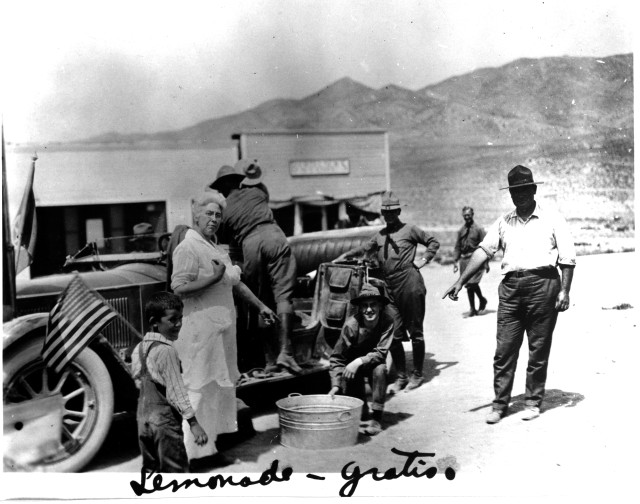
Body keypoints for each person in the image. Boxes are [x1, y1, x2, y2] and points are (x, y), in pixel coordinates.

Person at [443, 165, 576, 424]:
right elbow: (483, 251)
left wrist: (565, 291)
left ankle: (532, 401)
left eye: (524, 189)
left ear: (534, 190)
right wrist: (461, 281)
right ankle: (500, 404)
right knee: (504, 350)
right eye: (515, 191)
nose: (520, 195)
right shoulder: (503, 222)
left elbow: (568, 258)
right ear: (511, 194)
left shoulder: (553, 218)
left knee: (538, 349)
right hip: (511, 290)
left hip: (543, 286)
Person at [171, 191, 277, 468]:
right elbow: (179, 288)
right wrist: (213, 277)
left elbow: (235, 283)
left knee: (217, 389)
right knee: (199, 389)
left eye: (218, 215)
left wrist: (260, 306)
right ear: (196, 214)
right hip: (200, 331)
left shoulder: (214, 246)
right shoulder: (188, 247)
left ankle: (207, 449)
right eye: (209, 213)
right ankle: (191, 456)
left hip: (221, 332)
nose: (214, 219)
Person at [334, 191, 440, 393]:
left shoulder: (410, 230)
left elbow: (433, 242)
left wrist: (422, 261)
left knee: (415, 332)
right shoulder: (380, 235)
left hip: (409, 282)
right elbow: (364, 248)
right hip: (388, 287)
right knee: (394, 333)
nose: (388, 215)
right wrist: (344, 256)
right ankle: (401, 376)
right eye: (385, 212)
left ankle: (417, 374)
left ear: (399, 211)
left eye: (392, 212)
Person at [208, 160, 302, 374]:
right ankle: (286, 353)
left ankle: (269, 361)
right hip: (273, 235)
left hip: (250, 245)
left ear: (221, 188)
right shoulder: (258, 192)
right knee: (283, 297)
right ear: (238, 181)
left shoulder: (225, 210)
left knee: (260, 302)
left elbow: (224, 241)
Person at [131, 291, 207, 473]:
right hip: (164, 422)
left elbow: (137, 382)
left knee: (152, 472)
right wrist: (194, 424)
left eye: (181, 318)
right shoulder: (166, 351)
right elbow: (176, 392)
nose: (179, 324)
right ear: (154, 322)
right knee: (175, 473)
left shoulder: (138, 348)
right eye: (173, 320)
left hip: (143, 420)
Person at [328, 283, 394, 436]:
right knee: (359, 414)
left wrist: (358, 361)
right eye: (364, 306)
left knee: (381, 369)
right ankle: (361, 405)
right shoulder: (351, 325)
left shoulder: (387, 321)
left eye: (373, 305)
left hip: (370, 363)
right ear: (359, 308)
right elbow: (337, 357)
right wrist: (336, 384)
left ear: (380, 306)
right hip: (352, 370)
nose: (369, 310)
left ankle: (377, 417)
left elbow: (381, 352)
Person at [452, 206, 489, 317]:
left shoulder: (479, 229)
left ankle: (481, 300)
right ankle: (473, 308)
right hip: (464, 260)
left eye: (468, 215)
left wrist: (486, 263)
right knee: (468, 284)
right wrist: (455, 261)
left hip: (476, 259)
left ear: (472, 215)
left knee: (473, 283)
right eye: (465, 216)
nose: (467, 217)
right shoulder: (461, 230)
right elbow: (457, 246)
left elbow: (485, 246)